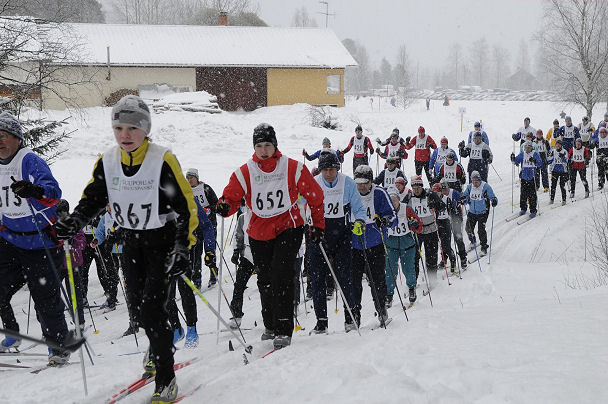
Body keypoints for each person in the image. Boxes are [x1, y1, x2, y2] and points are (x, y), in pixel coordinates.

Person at [54, 95, 198, 402]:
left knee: (152, 309)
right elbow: (93, 198)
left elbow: (186, 208)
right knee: (138, 311)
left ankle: (166, 378)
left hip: (162, 241)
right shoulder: (108, 161)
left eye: (132, 128)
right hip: (130, 242)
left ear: (145, 129)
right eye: (119, 127)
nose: (125, 135)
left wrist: (182, 247)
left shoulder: (162, 159)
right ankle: (159, 340)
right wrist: (75, 221)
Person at [216, 123, 324, 350]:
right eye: (259, 146)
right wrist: (225, 206)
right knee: (265, 278)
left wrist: (318, 225)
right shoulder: (245, 172)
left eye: (267, 145)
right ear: (254, 147)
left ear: (275, 145)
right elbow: (231, 197)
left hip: (289, 225)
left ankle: (284, 328)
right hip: (259, 230)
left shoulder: (291, 167)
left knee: (282, 274)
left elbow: (315, 196)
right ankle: (271, 325)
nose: (263, 150)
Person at [0, 111, 70, 365]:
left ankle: (58, 346)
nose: (0, 141)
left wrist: (34, 190)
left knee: (45, 297)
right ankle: (12, 334)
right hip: (8, 239)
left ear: (17, 138)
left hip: (39, 240)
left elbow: (53, 193)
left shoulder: (30, 161)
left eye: (4, 136)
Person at [309, 152, 366, 334]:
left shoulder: (347, 183)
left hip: (341, 234)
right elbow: (301, 202)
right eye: (325, 170)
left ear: (337, 168)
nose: (328, 173)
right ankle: (321, 322)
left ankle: (350, 317)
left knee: (344, 278)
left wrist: (360, 221)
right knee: (317, 280)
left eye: (332, 169)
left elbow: (358, 207)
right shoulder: (314, 183)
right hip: (319, 234)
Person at [351, 165, 396, 327]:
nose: (362, 186)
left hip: (375, 244)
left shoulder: (379, 193)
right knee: (354, 283)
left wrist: (384, 221)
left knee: (377, 280)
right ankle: (354, 315)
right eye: (359, 182)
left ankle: (381, 309)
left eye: (365, 182)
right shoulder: (351, 192)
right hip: (355, 246)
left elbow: (392, 215)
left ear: (371, 181)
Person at [167, 200, 215, 349]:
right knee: (166, 293)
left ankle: (192, 329)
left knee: (185, 287)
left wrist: (209, 250)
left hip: (187, 248)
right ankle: (176, 328)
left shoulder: (189, 198)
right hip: (166, 251)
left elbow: (206, 226)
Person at [402, 175, 445, 284]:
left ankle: (432, 278)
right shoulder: (409, 197)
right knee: (414, 257)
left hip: (431, 229)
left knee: (431, 255)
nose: (416, 190)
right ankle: (413, 279)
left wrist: (434, 204)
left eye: (418, 187)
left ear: (422, 186)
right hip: (416, 231)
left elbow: (442, 206)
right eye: (414, 188)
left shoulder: (430, 194)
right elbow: (401, 210)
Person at [384, 191, 422, 307]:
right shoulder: (385, 210)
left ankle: (411, 289)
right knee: (390, 271)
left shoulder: (406, 209)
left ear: (398, 199)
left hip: (407, 244)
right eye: (390, 200)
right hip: (391, 245)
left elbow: (419, 227)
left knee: (408, 269)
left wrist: (415, 224)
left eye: (394, 200)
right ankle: (389, 295)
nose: (393, 202)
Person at [185, 168, 218, 288]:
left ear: (197, 178)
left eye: (191, 178)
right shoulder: (186, 191)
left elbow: (216, 204)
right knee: (196, 253)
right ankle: (197, 280)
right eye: (187, 178)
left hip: (209, 224)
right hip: (195, 226)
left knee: (210, 251)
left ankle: (213, 274)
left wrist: (209, 209)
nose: (189, 181)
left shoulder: (206, 188)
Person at [228, 201, 257, 329]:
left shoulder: (262, 216)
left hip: (263, 253)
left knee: (266, 285)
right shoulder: (242, 217)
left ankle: (271, 314)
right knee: (239, 285)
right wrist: (236, 251)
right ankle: (236, 315)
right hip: (247, 254)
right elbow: (239, 235)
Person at [91, 205, 120, 313]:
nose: (109, 208)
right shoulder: (105, 217)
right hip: (111, 250)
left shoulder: (122, 214)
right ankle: (111, 300)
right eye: (107, 206)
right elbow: (100, 232)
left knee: (129, 275)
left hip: (123, 249)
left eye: (111, 205)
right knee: (112, 276)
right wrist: (96, 240)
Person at [462, 171, 497, 255]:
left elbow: (493, 197)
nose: (475, 183)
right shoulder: (470, 187)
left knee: (481, 230)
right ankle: (473, 241)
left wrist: (494, 201)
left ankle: (484, 247)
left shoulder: (485, 187)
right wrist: (463, 199)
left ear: (480, 180)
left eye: (476, 181)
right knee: (468, 229)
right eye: (473, 181)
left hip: (483, 212)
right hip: (472, 212)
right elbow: (465, 196)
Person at [439, 178, 467, 270]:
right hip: (444, 221)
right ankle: (444, 259)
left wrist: (463, 199)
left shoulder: (454, 192)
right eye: (442, 190)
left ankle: (463, 258)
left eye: (445, 189)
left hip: (456, 218)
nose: (444, 192)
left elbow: (464, 201)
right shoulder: (439, 196)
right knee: (444, 241)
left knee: (458, 238)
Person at [511, 141, 542, 217]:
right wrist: (513, 158)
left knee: (532, 195)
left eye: (528, 147)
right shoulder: (522, 154)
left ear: (531, 148)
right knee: (523, 194)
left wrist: (535, 161)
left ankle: (533, 210)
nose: (527, 149)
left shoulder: (535, 154)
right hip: (524, 177)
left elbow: (540, 163)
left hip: (532, 177)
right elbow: (516, 161)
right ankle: (523, 208)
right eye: (526, 147)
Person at [431, 183, 457, 272]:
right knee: (441, 244)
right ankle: (443, 259)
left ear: (441, 191)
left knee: (446, 244)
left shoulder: (446, 199)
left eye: (437, 192)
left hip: (445, 222)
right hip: (437, 222)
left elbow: (452, 210)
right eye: (434, 192)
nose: (436, 194)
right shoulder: (431, 200)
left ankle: (453, 260)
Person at [547, 139, 569, 205]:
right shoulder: (553, 151)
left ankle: (564, 199)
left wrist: (562, 157)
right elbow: (549, 160)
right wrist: (548, 157)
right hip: (555, 170)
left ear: (561, 145)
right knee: (553, 186)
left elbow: (566, 160)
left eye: (559, 144)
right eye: (557, 144)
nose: (558, 145)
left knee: (562, 186)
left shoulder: (564, 151)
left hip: (563, 171)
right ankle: (552, 199)